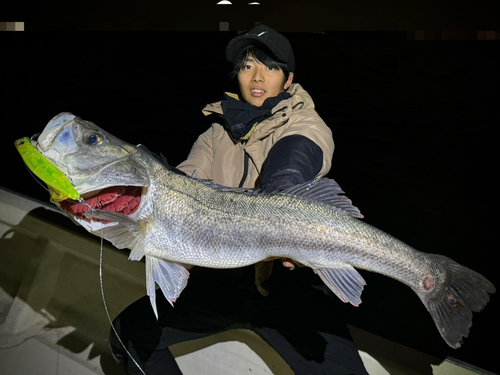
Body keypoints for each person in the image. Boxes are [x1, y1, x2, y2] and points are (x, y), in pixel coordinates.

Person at [110, 24, 369, 375]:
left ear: (288, 78)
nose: (258, 76)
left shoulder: (306, 123)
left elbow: (293, 164)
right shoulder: (216, 133)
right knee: (128, 333)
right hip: (222, 282)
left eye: (271, 67)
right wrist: (122, 201)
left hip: (286, 290)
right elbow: (179, 186)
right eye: (248, 66)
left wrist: (283, 193)